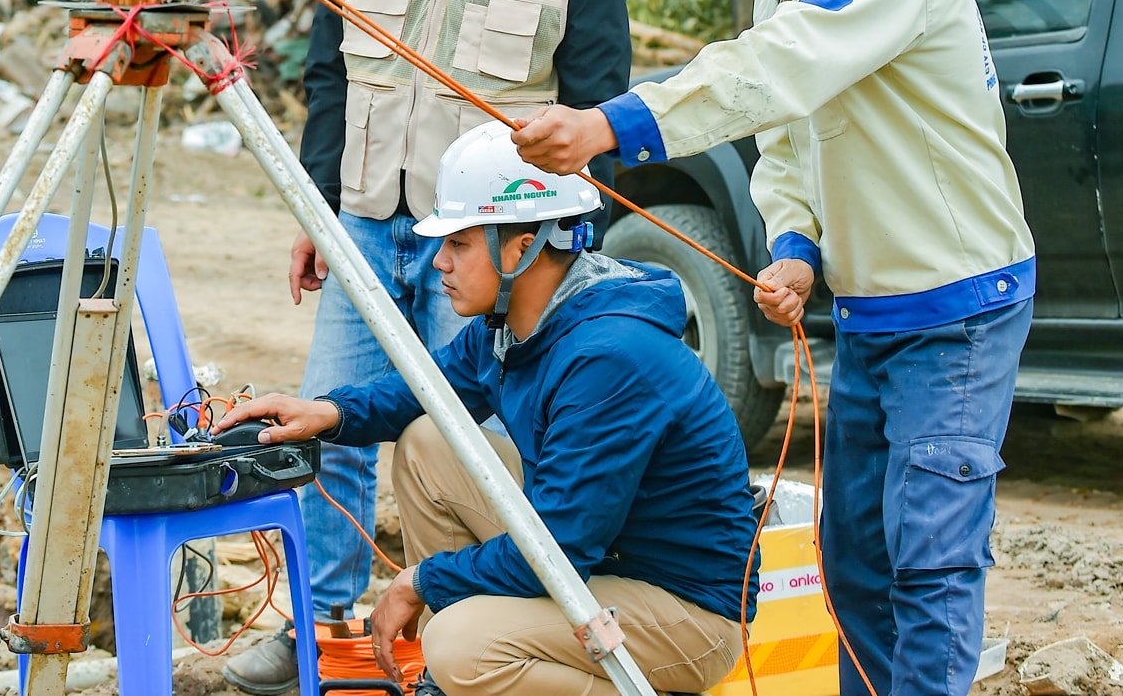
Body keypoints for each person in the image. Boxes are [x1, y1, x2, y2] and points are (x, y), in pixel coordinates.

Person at [511, 0, 1036, 696]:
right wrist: (792, 240)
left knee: (925, 557)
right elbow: (791, 132)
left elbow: (777, 69)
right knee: (853, 560)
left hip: (957, 307)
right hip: (876, 308)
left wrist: (613, 123)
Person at [223, 0, 633, 694]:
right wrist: (314, 207)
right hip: (365, 218)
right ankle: (317, 626)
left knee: (477, 440)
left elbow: (597, 109)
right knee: (328, 424)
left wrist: (562, 257)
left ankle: (475, 627)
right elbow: (329, 75)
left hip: (496, 245)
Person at [215, 122, 756, 696]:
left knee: (461, 646)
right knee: (430, 442)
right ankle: (452, 679)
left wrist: (422, 582)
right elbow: (427, 390)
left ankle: (465, 670)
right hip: (605, 558)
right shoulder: (512, 326)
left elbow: (564, 545)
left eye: (458, 243)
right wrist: (328, 412)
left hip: (684, 610)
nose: (439, 262)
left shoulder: (608, 357)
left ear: (521, 248)